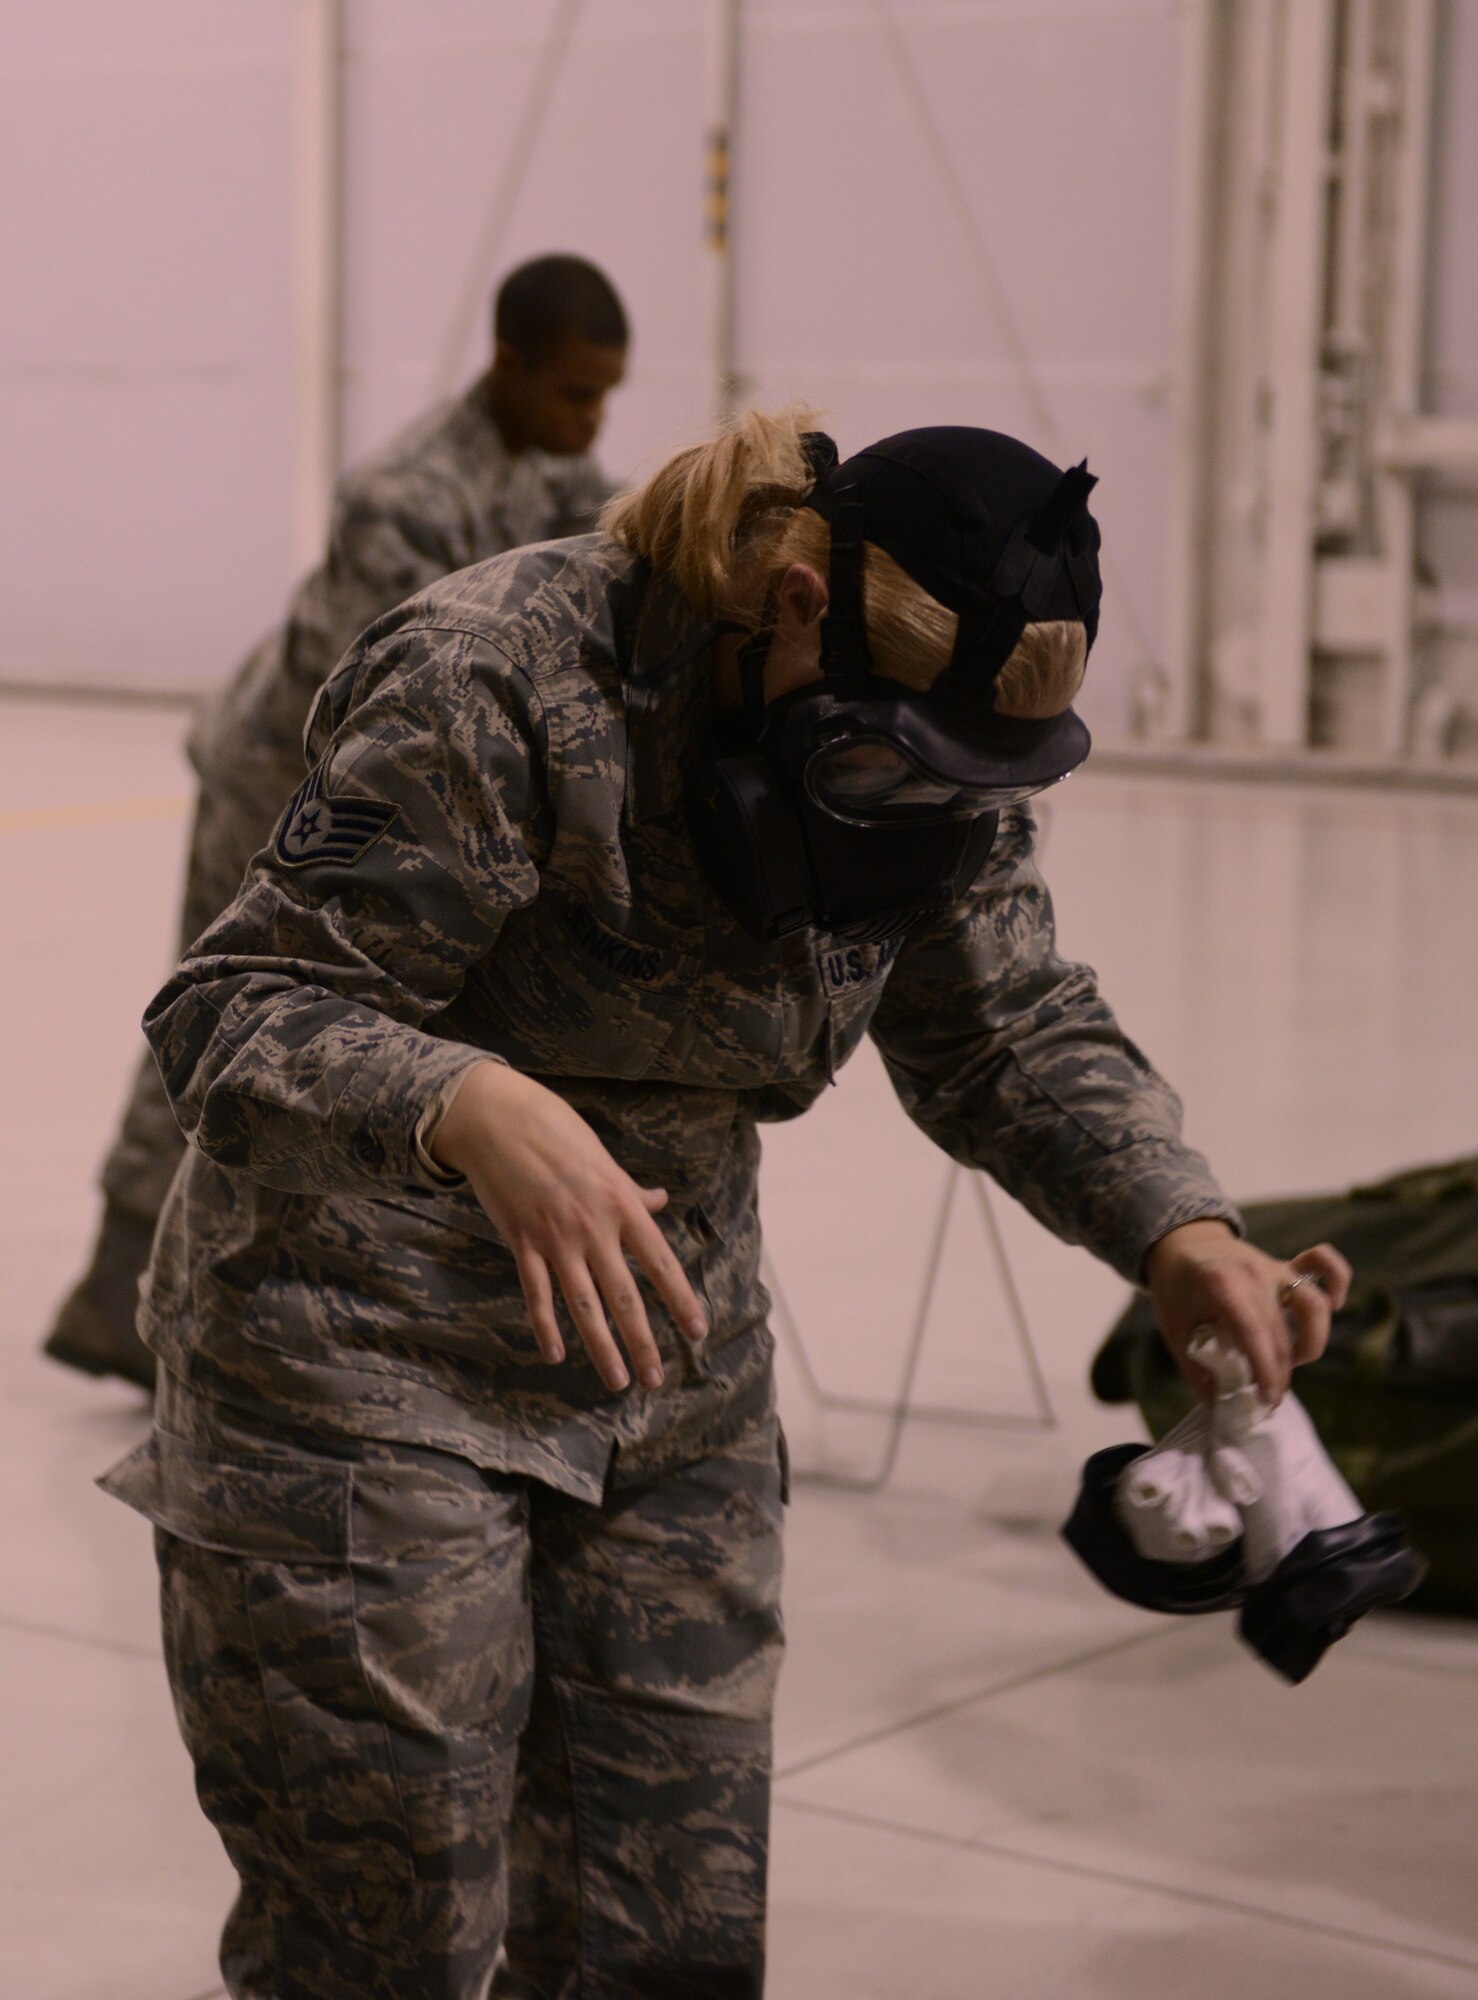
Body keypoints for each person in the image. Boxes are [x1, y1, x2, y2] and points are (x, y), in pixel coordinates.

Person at [100, 408, 1350, 1999]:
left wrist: (1177, 1232)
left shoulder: (937, 758)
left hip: (661, 1366)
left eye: (972, 781)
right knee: (383, 1939)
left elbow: (1004, 1029)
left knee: (670, 1932)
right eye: (892, 762)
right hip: (358, 1356)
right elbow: (236, 1011)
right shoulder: (501, 675)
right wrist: (465, 1102)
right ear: (798, 609)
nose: (928, 809)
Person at [45, 252, 629, 1390]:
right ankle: (122, 1286)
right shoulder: (404, 497)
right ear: (507, 364)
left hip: (373, 789)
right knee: (223, 1009)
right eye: (574, 393)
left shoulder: (556, 466)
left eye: (604, 396)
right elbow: (384, 709)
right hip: (286, 784)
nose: (591, 420)